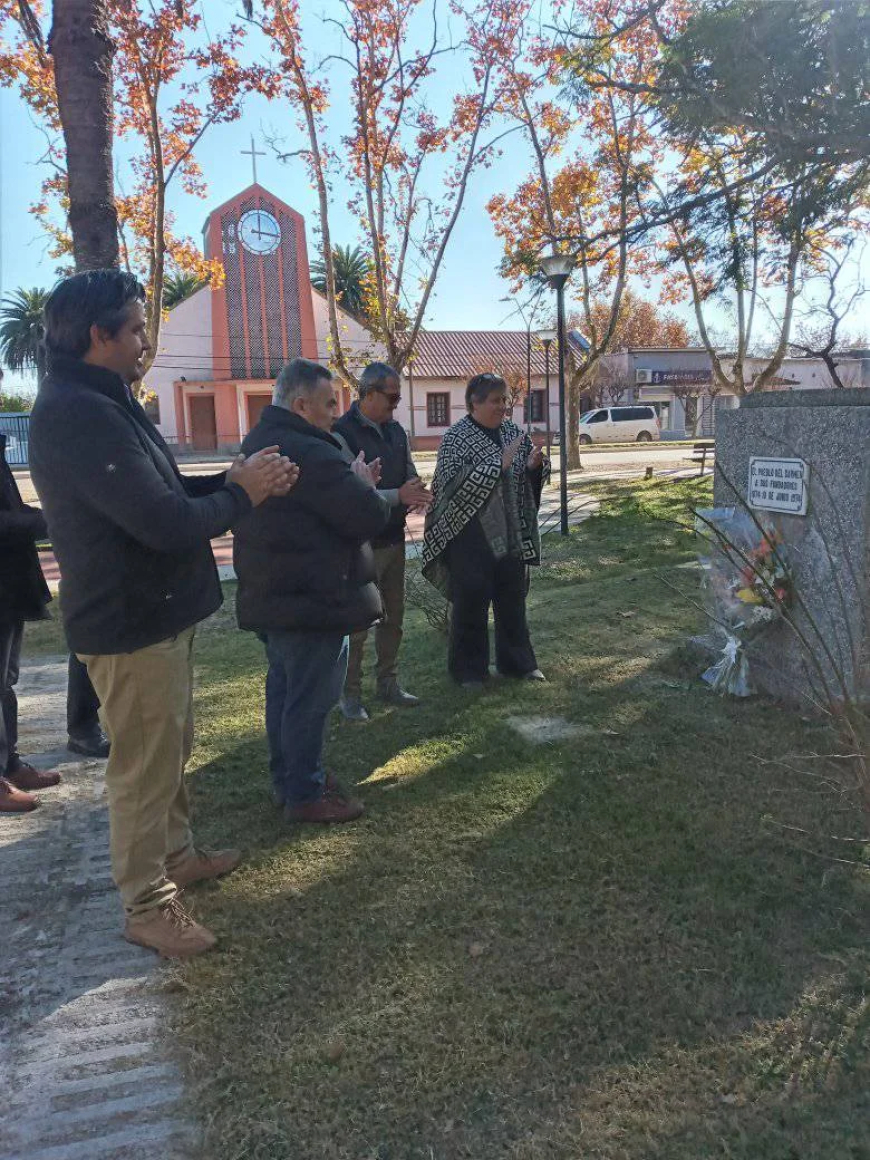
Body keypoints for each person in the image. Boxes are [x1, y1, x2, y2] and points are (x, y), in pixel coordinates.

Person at [29, 269, 298, 959]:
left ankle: (176, 856)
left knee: (169, 748)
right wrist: (243, 495)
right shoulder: (79, 413)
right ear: (100, 335)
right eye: (136, 329)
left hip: (155, 615)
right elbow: (165, 523)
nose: (145, 342)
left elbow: (167, 491)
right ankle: (147, 904)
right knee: (145, 767)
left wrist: (230, 479)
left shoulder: (102, 399)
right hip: (130, 622)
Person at [233, 358, 392, 823]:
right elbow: (368, 515)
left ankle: (289, 781)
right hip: (313, 598)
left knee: (285, 692)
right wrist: (362, 485)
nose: (335, 414)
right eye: (328, 404)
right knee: (309, 701)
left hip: (277, 594)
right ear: (301, 405)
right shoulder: (311, 451)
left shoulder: (259, 440)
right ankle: (305, 792)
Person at [422, 372, 546, 688]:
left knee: (513, 602)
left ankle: (519, 664)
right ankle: (469, 672)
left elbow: (526, 479)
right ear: (474, 403)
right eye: (495, 400)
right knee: (470, 605)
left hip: (511, 533)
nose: (502, 406)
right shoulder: (456, 438)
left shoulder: (513, 433)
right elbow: (449, 485)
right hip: (469, 537)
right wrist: (496, 467)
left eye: (504, 400)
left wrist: (534, 467)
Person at [332, 362, 431, 722]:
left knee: (394, 618)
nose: (396, 404)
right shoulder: (340, 434)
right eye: (392, 397)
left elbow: (408, 472)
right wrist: (399, 495)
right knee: (358, 626)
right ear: (369, 393)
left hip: (393, 540)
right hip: (360, 547)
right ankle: (350, 695)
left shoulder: (397, 432)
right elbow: (352, 492)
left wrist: (417, 490)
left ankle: (388, 683)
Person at [0, 431, 62, 813]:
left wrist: (42, 516)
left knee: (6, 680)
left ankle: (10, 764)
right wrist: (42, 521)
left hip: (10, 585)